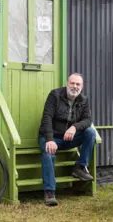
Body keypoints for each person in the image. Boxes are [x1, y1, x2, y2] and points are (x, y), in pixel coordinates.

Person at [38, 73, 97, 206]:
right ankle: (49, 192)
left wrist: (75, 127)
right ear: (67, 83)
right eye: (72, 83)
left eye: (78, 84)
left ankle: (80, 167)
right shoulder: (55, 95)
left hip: (68, 138)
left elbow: (88, 120)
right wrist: (49, 139)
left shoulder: (83, 99)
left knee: (90, 132)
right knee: (48, 154)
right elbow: (46, 117)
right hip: (51, 137)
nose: (75, 86)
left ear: (81, 87)